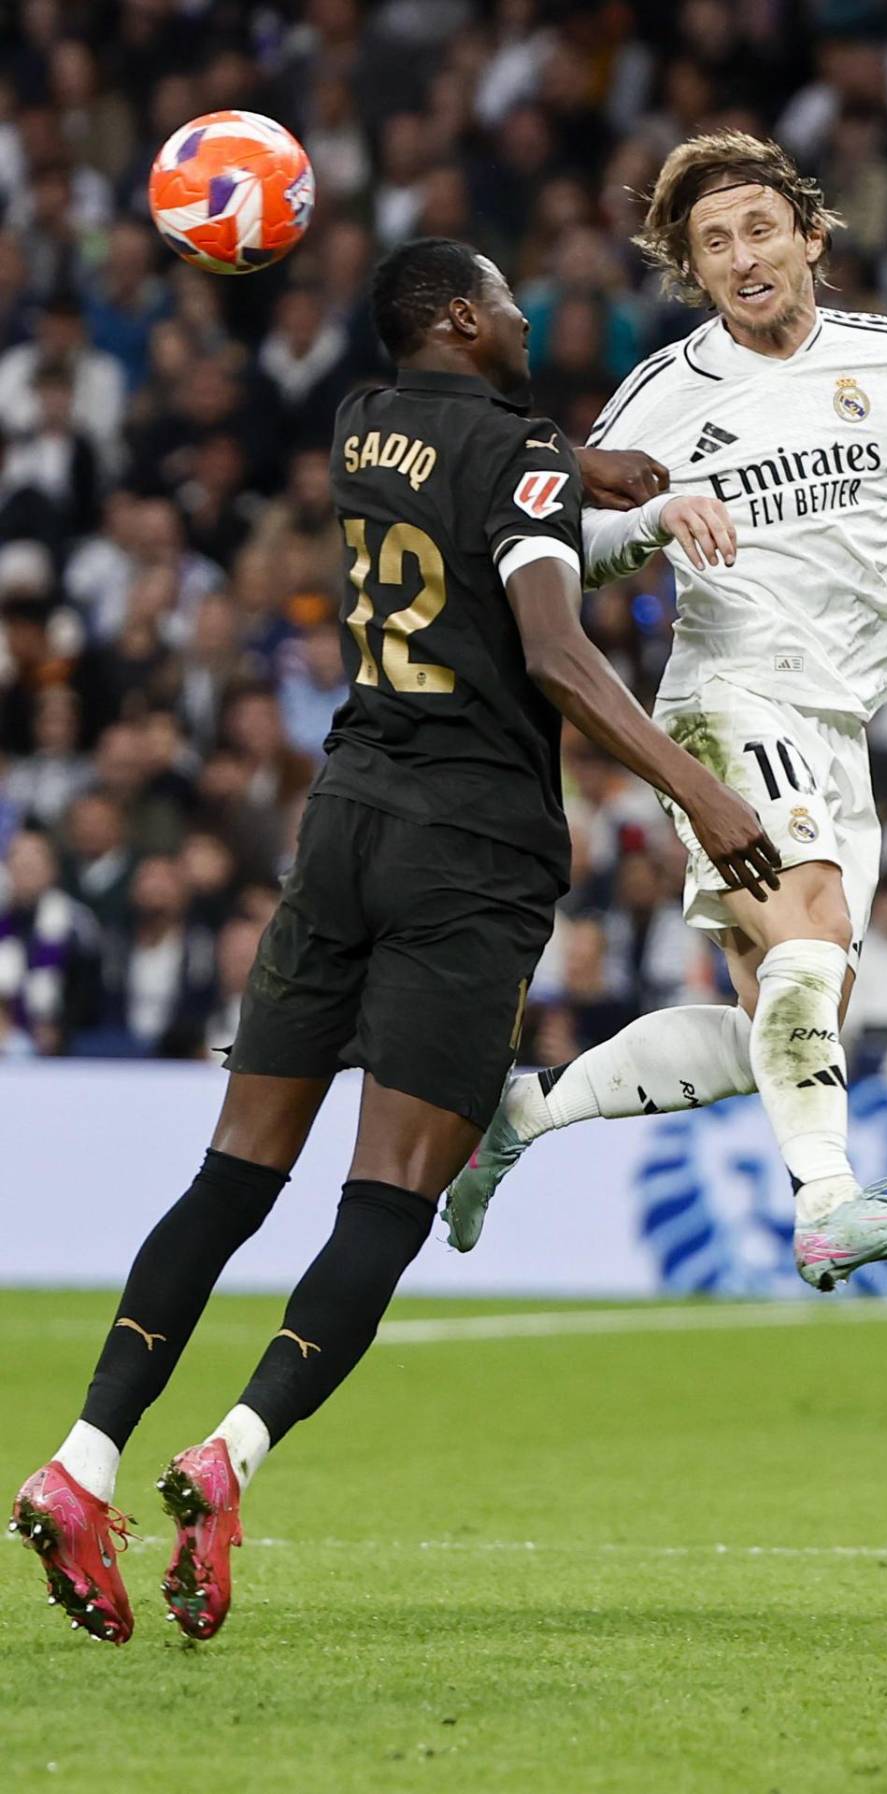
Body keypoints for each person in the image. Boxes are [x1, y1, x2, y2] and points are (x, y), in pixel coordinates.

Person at [10, 236, 780, 1648]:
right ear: (458, 317)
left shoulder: (361, 423)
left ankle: (82, 1456)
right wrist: (703, 794)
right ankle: (229, 1454)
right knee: (388, 1195)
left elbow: (482, 475)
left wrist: (593, 473)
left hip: (346, 819)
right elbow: (552, 648)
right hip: (469, 852)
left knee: (232, 1175)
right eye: (506, 303)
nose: (526, 319)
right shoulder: (519, 449)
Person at [445, 129, 887, 1286]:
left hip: (839, 721)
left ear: (811, 237)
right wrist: (654, 520)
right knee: (811, 930)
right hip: (726, 696)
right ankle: (826, 1203)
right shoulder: (663, 394)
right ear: (693, 270)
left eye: (760, 229)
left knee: (779, 1022)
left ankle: (522, 1114)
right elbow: (564, 550)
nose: (742, 257)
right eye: (714, 243)